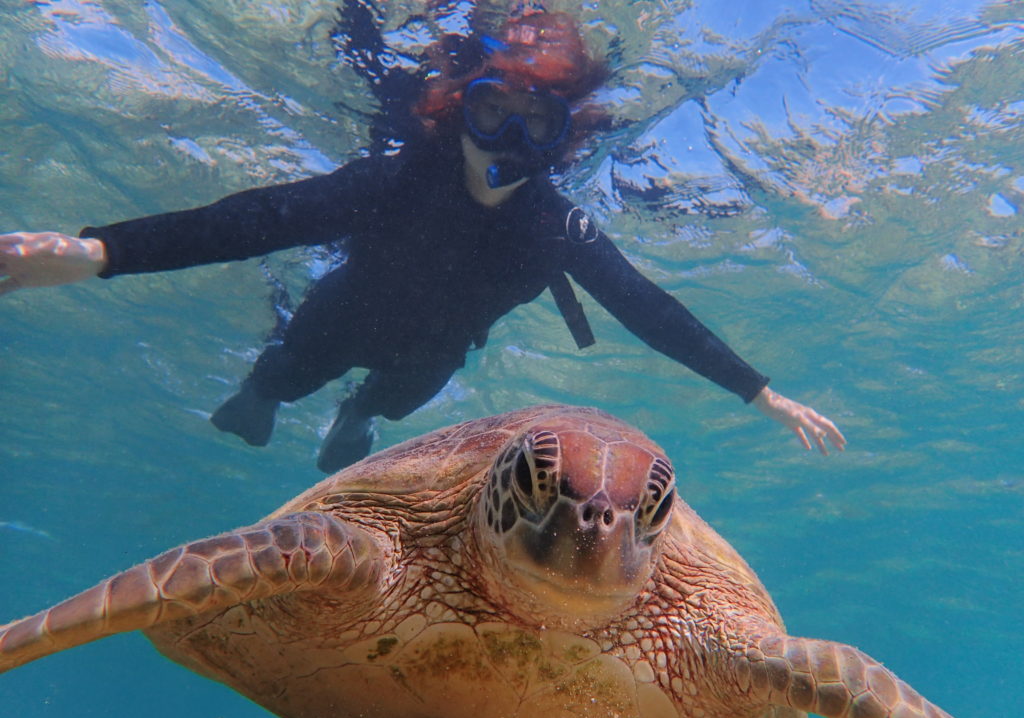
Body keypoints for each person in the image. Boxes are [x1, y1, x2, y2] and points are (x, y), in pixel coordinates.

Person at [0, 9, 845, 473]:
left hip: (433, 353)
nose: (507, 143)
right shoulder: (398, 179)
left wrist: (759, 393)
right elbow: (258, 218)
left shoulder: (554, 223)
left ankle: (357, 414)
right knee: (276, 382)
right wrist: (95, 252)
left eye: (535, 124)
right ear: (456, 112)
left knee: (389, 403)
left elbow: (645, 307)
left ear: (562, 138)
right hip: (341, 314)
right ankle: (277, 393)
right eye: (489, 114)